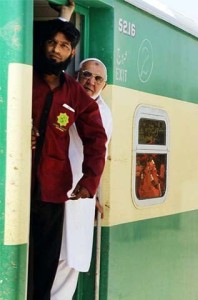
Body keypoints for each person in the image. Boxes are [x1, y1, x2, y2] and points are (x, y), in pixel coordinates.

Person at [29, 2, 107, 298]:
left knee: (45, 265)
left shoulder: (74, 92)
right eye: (51, 42)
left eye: (63, 45)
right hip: (13, 185)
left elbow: (97, 138)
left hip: (50, 191)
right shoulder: (26, 78)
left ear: (71, 53)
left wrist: (90, 182)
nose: (56, 50)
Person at [51, 58, 112, 300]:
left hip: (78, 193)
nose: (91, 82)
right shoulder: (66, 100)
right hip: (53, 187)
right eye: (87, 75)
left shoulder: (102, 114)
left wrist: (91, 190)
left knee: (69, 256)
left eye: (98, 79)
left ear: (104, 86)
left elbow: (99, 155)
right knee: (53, 251)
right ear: (77, 75)